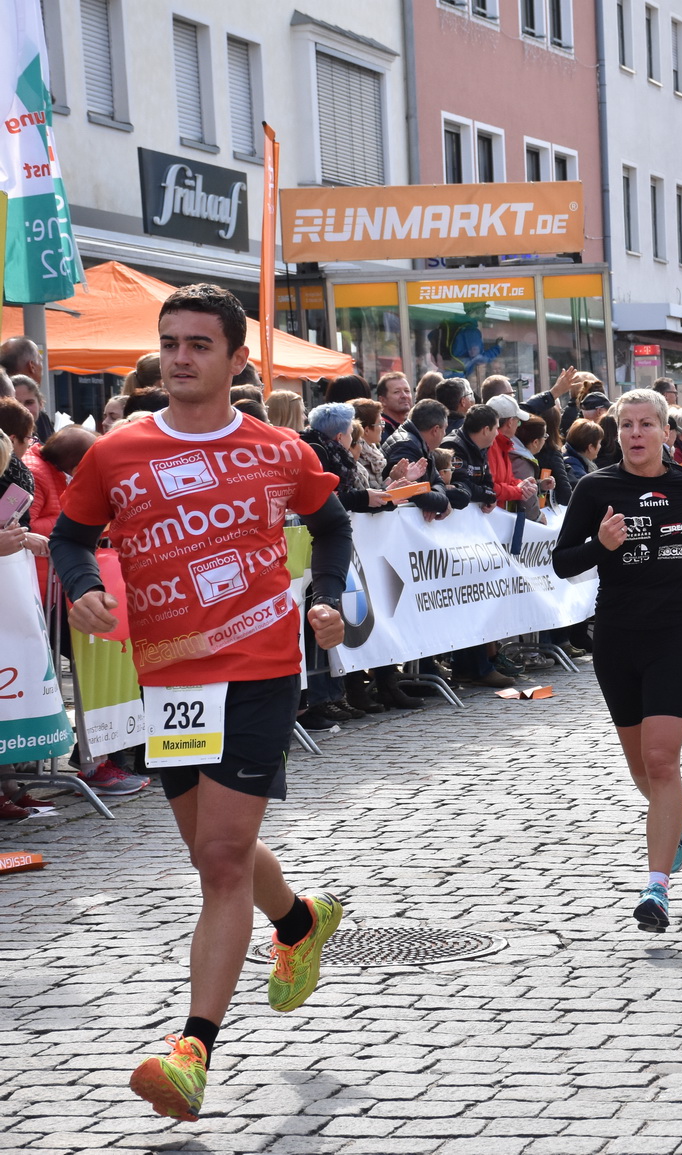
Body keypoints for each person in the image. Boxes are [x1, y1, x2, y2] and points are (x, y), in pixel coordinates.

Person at [48, 283, 351, 1122]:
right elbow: (72, 536)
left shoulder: (278, 449)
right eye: (170, 342)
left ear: (235, 359)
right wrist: (78, 586)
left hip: (257, 665)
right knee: (212, 849)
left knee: (220, 858)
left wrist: (324, 597)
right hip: (172, 674)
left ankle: (191, 1053)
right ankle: (296, 921)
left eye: (198, 345)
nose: (180, 358)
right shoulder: (116, 450)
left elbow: (332, 525)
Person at [553, 390, 682, 932]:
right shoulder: (595, 486)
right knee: (641, 771)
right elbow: (563, 563)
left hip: (673, 633)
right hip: (616, 637)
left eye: (645, 424)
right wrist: (602, 544)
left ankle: (657, 889)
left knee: (661, 762)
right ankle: (680, 811)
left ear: (664, 432)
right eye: (625, 425)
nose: (634, 434)